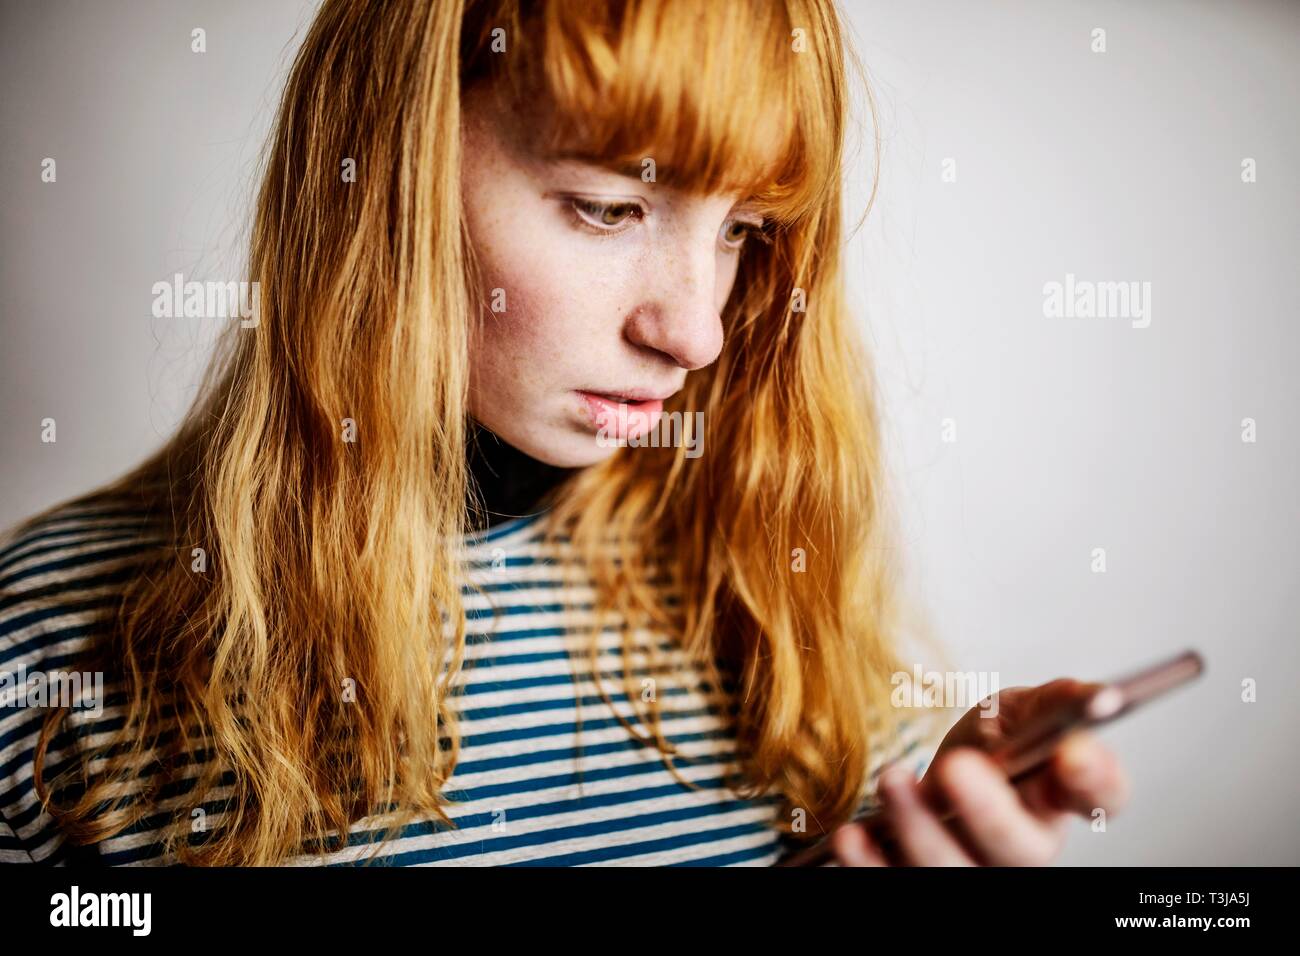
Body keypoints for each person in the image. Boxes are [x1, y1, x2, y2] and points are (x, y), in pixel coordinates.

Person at [0, 0, 1125, 867]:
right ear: (388, 174)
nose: (695, 331)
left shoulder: (764, 593)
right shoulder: (49, 653)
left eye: (744, 230)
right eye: (607, 207)